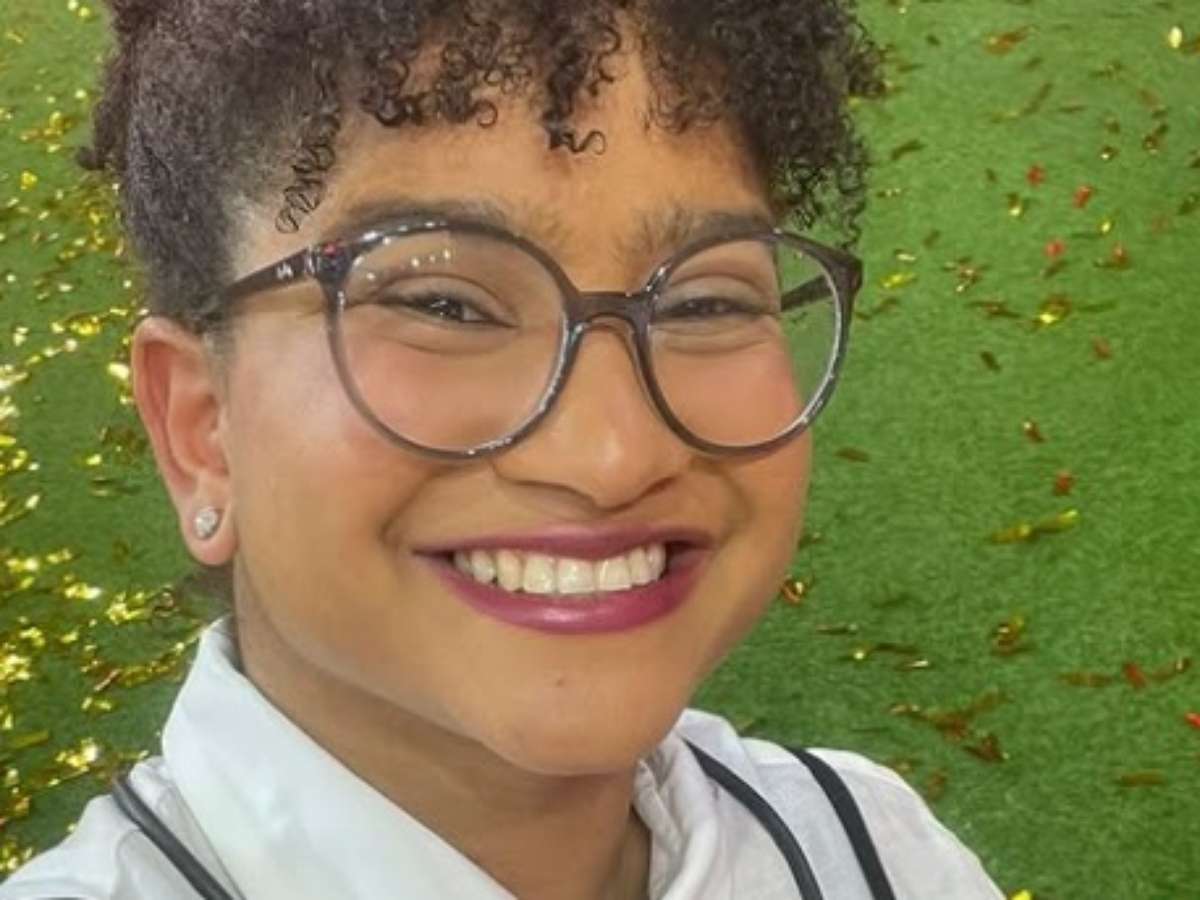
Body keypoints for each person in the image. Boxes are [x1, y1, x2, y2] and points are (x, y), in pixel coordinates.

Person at [0, 1, 1006, 897]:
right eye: (443, 303)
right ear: (202, 432)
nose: (612, 454)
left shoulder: (874, 852)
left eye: (706, 302)